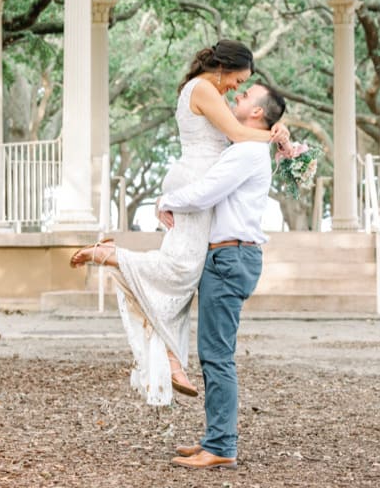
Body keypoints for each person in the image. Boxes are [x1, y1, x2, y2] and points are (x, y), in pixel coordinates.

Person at [69, 40, 288, 405]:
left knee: (187, 275)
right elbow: (236, 136)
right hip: (195, 183)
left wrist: (274, 139)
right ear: (225, 67)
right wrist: (275, 138)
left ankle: (172, 359)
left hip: (200, 183)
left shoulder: (205, 89)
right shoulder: (203, 88)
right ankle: (108, 254)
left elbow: (236, 138)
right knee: (180, 270)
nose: (237, 88)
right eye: (239, 80)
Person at [158, 82, 286, 470]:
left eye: (245, 96)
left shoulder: (247, 151)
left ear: (258, 113)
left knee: (217, 357)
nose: (237, 97)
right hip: (229, 256)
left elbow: (205, 192)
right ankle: (214, 439)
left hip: (231, 258)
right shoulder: (245, 146)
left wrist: (165, 201)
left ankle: (221, 446)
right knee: (214, 355)